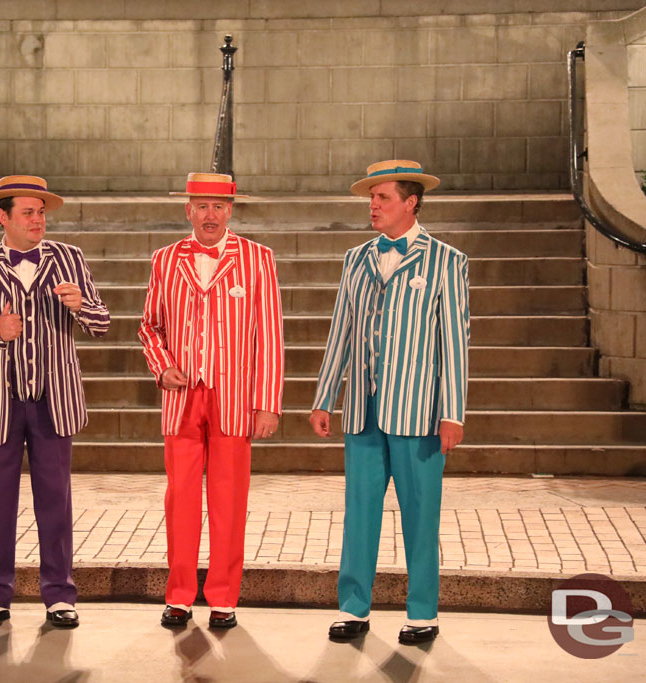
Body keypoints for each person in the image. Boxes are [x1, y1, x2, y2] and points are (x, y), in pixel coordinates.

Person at [0, 175, 110, 630]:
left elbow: (102, 321)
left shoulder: (69, 259)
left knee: (55, 498)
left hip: (55, 400)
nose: (38, 221)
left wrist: (80, 307)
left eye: (42, 213)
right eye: (28, 213)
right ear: (4, 217)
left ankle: (59, 593)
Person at [310, 159, 470, 645]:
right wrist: (324, 397)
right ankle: (354, 608)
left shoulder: (446, 260)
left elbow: (456, 343)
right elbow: (341, 331)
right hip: (362, 409)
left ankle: (422, 613)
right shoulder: (356, 258)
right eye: (371, 198)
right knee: (359, 511)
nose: (373, 206)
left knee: (421, 513)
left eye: (382, 198)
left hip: (420, 412)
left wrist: (452, 412)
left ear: (411, 201)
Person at [139, 172, 284, 630]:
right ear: (188, 210)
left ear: (231, 211)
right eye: (202, 206)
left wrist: (267, 402)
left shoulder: (258, 259)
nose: (210, 215)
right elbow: (149, 326)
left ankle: (223, 597)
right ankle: (179, 595)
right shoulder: (166, 260)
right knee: (180, 500)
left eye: (219, 207)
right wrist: (162, 367)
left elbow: (270, 336)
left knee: (229, 500)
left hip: (236, 400)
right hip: (183, 400)